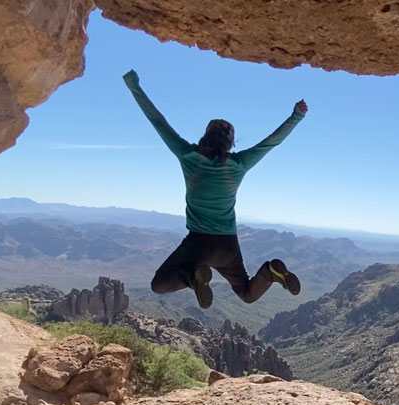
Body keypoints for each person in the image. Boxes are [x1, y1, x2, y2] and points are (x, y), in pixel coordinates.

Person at [122, 69, 306, 309]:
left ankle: (194, 278)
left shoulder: (188, 155)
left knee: (159, 284)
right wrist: (296, 116)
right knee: (248, 293)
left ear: (205, 136)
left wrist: (133, 85)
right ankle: (270, 272)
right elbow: (271, 141)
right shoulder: (239, 164)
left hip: (198, 243)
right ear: (231, 143)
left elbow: (157, 120)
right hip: (227, 245)